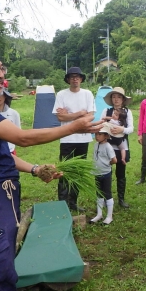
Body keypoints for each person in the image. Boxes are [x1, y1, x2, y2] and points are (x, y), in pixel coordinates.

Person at [0, 50, 102, 291]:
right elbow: (22, 139)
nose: (1, 75)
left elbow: (2, 154)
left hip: (1, 195)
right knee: (1, 272)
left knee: (5, 261)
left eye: (2, 68)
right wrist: (73, 127)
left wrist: (35, 168)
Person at [52, 66, 95, 212]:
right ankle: (62, 204)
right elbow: (60, 117)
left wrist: (69, 115)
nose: (75, 79)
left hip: (83, 138)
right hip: (66, 138)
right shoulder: (61, 94)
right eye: (72, 77)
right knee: (64, 171)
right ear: (68, 80)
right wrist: (79, 113)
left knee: (78, 172)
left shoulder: (87, 94)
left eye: (77, 76)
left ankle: (73, 202)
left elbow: (91, 115)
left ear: (81, 79)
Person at [101, 87, 134, 208]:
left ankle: (121, 199)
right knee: (105, 172)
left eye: (119, 97)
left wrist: (122, 129)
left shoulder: (127, 112)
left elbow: (131, 128)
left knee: (121, 173)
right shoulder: (106, 111)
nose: (116, 99)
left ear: (123, 99)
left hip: (121, 145)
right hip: (108, 145)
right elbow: (101, 124)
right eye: (114, 97)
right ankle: (106, 198)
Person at [90, 125, 117, 225]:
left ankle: (109, 216)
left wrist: (107, 164)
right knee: (99, 194)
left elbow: (114, 160)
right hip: (97, 173)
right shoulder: (96, 145)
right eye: (96, 134)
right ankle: (99, 214)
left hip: (105, 173)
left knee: (107, 194)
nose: (97, 136)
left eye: (99, 134)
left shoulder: (108, 147)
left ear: (106, 136)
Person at [0, 90, 21, 154]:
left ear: (5, 96)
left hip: (10, 151)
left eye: (0, 94)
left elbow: (19, 133)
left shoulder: (14, 113)